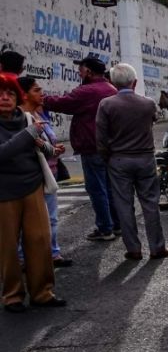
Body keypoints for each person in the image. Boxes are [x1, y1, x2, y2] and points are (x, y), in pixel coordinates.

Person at [0, 73, 66, 313]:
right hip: (5, 193)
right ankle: (13, 295)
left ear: (18, 96)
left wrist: (50, 148)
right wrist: (29, 135)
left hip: (33, 186)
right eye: (0, 94)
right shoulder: (27, 127)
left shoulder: (26, 118)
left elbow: (42, 149)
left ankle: (42, 292)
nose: (4, 98)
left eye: (9, 93)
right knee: (7, 246)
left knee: (39, 240)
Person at [96, 64, 168, 261]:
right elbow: (153, 120)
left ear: (113, 82)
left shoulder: (106, 104)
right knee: (150, 204)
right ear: (135, 82)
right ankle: (157, 247)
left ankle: (134, 249)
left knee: (124, 205)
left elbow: (101, 138)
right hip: (145, 158)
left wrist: (108, 157)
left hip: (119, 159)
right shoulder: (147, 103)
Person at [44, 56, 118, 241]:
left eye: (82, 69)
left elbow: (62, 103)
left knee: (96, 188)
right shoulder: (111, 88)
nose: (79, 72)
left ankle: (105, 228)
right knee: (108, 187)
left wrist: (40, 98)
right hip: (109, 147)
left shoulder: (87, 91)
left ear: (89, 72)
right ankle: (116, 225)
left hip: (91, 146)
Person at [19, 77, 72, 268]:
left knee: (51, 217)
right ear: (24, 94)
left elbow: (46, 142)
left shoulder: (39, 114)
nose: (42, 93)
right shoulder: (22, 118)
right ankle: (23, 258)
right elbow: (33, 145)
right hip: (34, 175)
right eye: (36, 90)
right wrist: (51, 149)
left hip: (50, 172)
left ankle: (53, 252)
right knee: (27, 220)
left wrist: (54, 149)